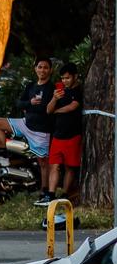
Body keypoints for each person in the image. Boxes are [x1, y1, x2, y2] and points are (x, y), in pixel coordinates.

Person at [0, 56, 56, 201]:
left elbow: (46, 109)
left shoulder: (51, 88)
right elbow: (19, 103)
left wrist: (31, 106)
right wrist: (30, 103)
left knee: (43, 163)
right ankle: (3, 151)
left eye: (45, 67)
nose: (42, 70)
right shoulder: (30, 86)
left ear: (50, 70)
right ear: (35, 69)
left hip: (40, 130)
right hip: (25, 123)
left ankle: (44, 191)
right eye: (40, 67)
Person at [45, 63, 84, 204]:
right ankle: (50, 194)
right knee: (54, 166)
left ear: (75, 77)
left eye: (67, 78)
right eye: (62, 78)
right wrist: (54, 99)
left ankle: (65, 194)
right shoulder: (59, 91)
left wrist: (57, 111)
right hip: (58, 135)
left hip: (73, 135)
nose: (65, 81)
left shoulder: (79, 90)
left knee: (69, 167)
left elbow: (73, 106)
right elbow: (48, 110)